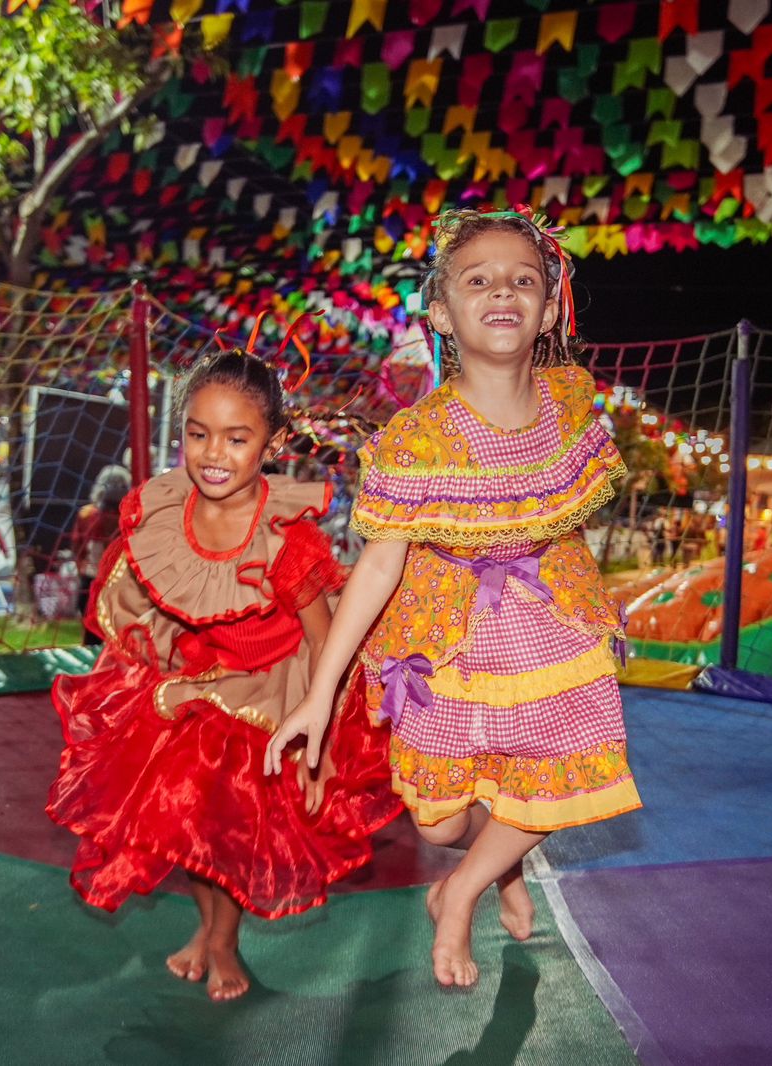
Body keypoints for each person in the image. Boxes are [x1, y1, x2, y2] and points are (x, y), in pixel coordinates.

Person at [265, 206, 642, 988]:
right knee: (439, 821)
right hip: (448, 629)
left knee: (563, 769)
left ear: (545, 310)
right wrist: (320, 693)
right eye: (479, 281)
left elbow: (565, 523)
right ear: (441, 311)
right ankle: (488, 861)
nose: (502, 292)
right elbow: (376, 566)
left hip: (550, 617)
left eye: (523, 281)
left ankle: (462, 890)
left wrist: (593, 616)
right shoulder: (417, 437)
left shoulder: (570, 406)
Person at [46, 350, 401, 1002]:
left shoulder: (286, 540)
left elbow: (327, 644)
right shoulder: (165, 508)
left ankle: (225, 940)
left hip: (273, 693)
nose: (214, 452)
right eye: (198, 432)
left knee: (228, 825)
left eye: (238, 438)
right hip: (196, 682)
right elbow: (158, 601)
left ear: (272, 442)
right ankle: (207, 928)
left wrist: (320, 746)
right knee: (182, 819)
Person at [68, 464, 130, 646]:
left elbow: (76, 546)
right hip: (112, 583)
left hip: (94, 581)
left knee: (93, 636)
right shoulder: (127, 517)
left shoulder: (88, 514)